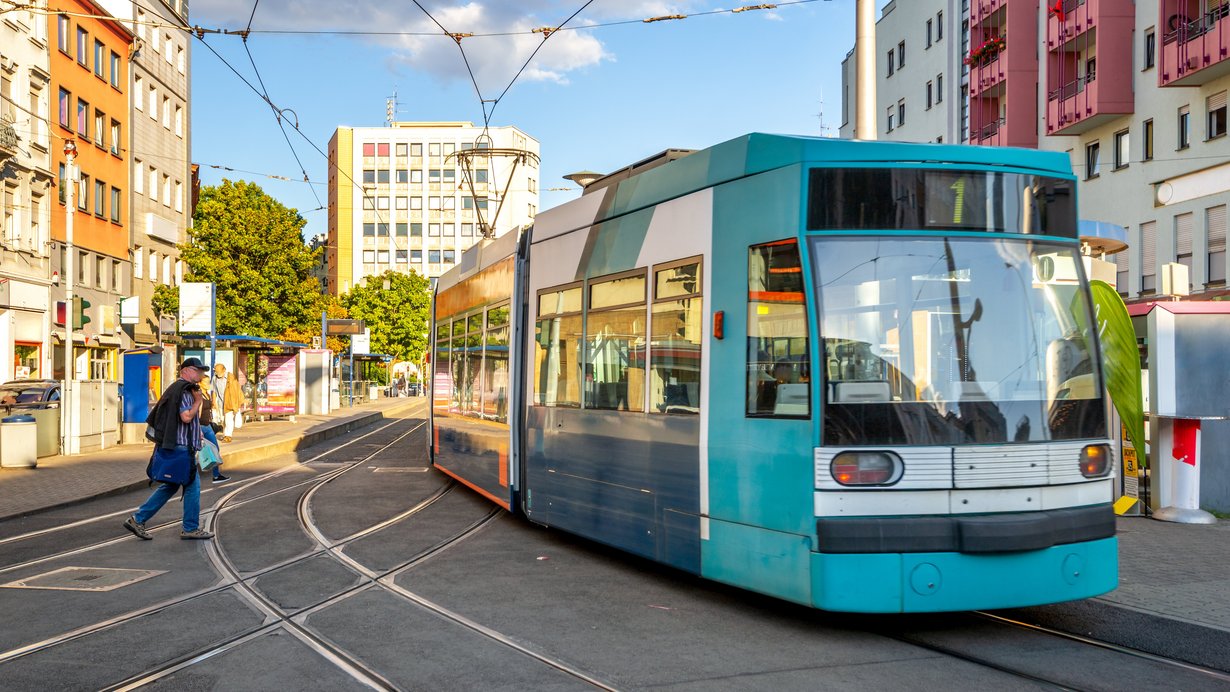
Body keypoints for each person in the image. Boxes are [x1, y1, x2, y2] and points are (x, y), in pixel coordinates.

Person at [123, 357, 214, 541]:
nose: (201, 374)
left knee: (171, 486)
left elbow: (186, 422)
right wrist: (197, 401)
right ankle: (190, 528)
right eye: (198, 370)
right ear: (186, 370)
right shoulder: (183, 391)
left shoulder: (181, 389)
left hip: (179, 446)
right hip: (180, 449)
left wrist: (197, 433)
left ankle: (138, 519)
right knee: (192, 486)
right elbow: (186, 417)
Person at [198, 390, 230, 483]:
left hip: (207, 426)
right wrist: (197, 428)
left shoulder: (207, 394)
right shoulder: (198, 394)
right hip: (201, 426)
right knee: (195, 452)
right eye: (206, 382)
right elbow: (198, 414)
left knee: (215, 448)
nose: (208, 385)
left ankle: (216, 475)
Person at [215, 362, 243, 443]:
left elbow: (236, 390)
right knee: (223, 420)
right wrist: (214, 402)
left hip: (229, 403)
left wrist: (236, 403)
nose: (218, 374)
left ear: (224, 370)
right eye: (216, 372)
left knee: (228, 419)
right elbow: (214, 391)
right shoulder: (215, 378)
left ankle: (228, 436)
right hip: (220, 402)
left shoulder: (231, 378)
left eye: (219, 372)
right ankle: (225, 434)